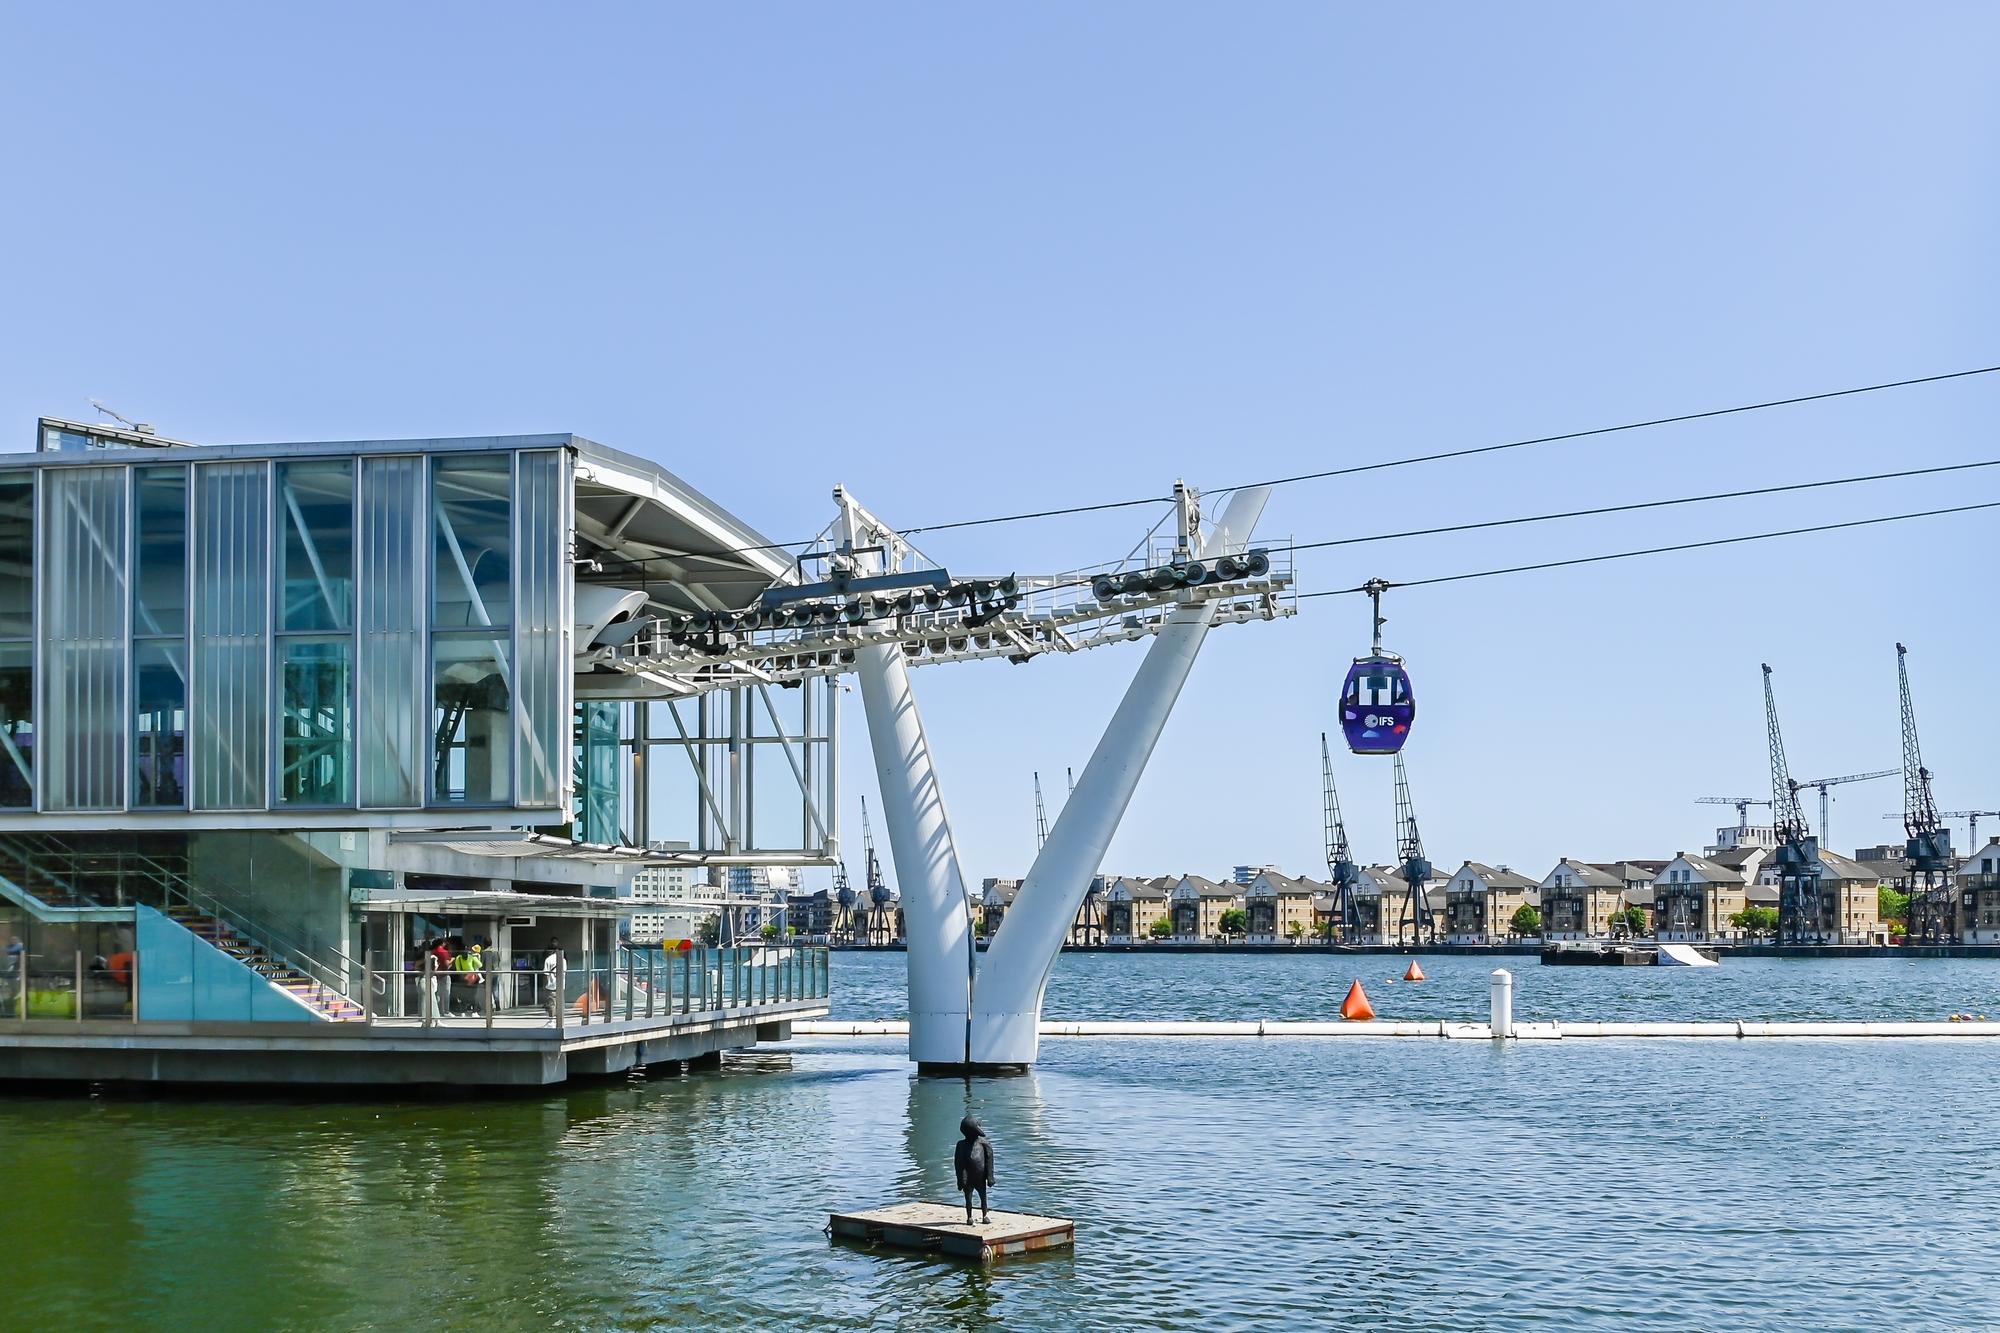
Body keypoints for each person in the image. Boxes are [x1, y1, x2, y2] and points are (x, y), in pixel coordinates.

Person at [953, 1116, 995, 1226]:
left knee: (983, 1197)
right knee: (968, 1198)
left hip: (980, 1177)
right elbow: (958, 1163)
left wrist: (990, 1177)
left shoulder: (984, 1144)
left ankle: (985, 1215)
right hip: (968, 1177)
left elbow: (989, 1160)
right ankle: (969, 1217)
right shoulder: (961, 1145)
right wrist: (960, 1179)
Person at [541, 937, 563, 1020]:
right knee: (557, 1002)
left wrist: (545, 984)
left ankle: (552, 1019)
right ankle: (558, 1019)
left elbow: (546, 973)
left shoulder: (548, 959)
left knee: (552, 1002)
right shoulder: (562, 959)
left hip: (551, 984)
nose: (554, 943)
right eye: (553, 942)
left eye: (555, 942)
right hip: (560, 984)